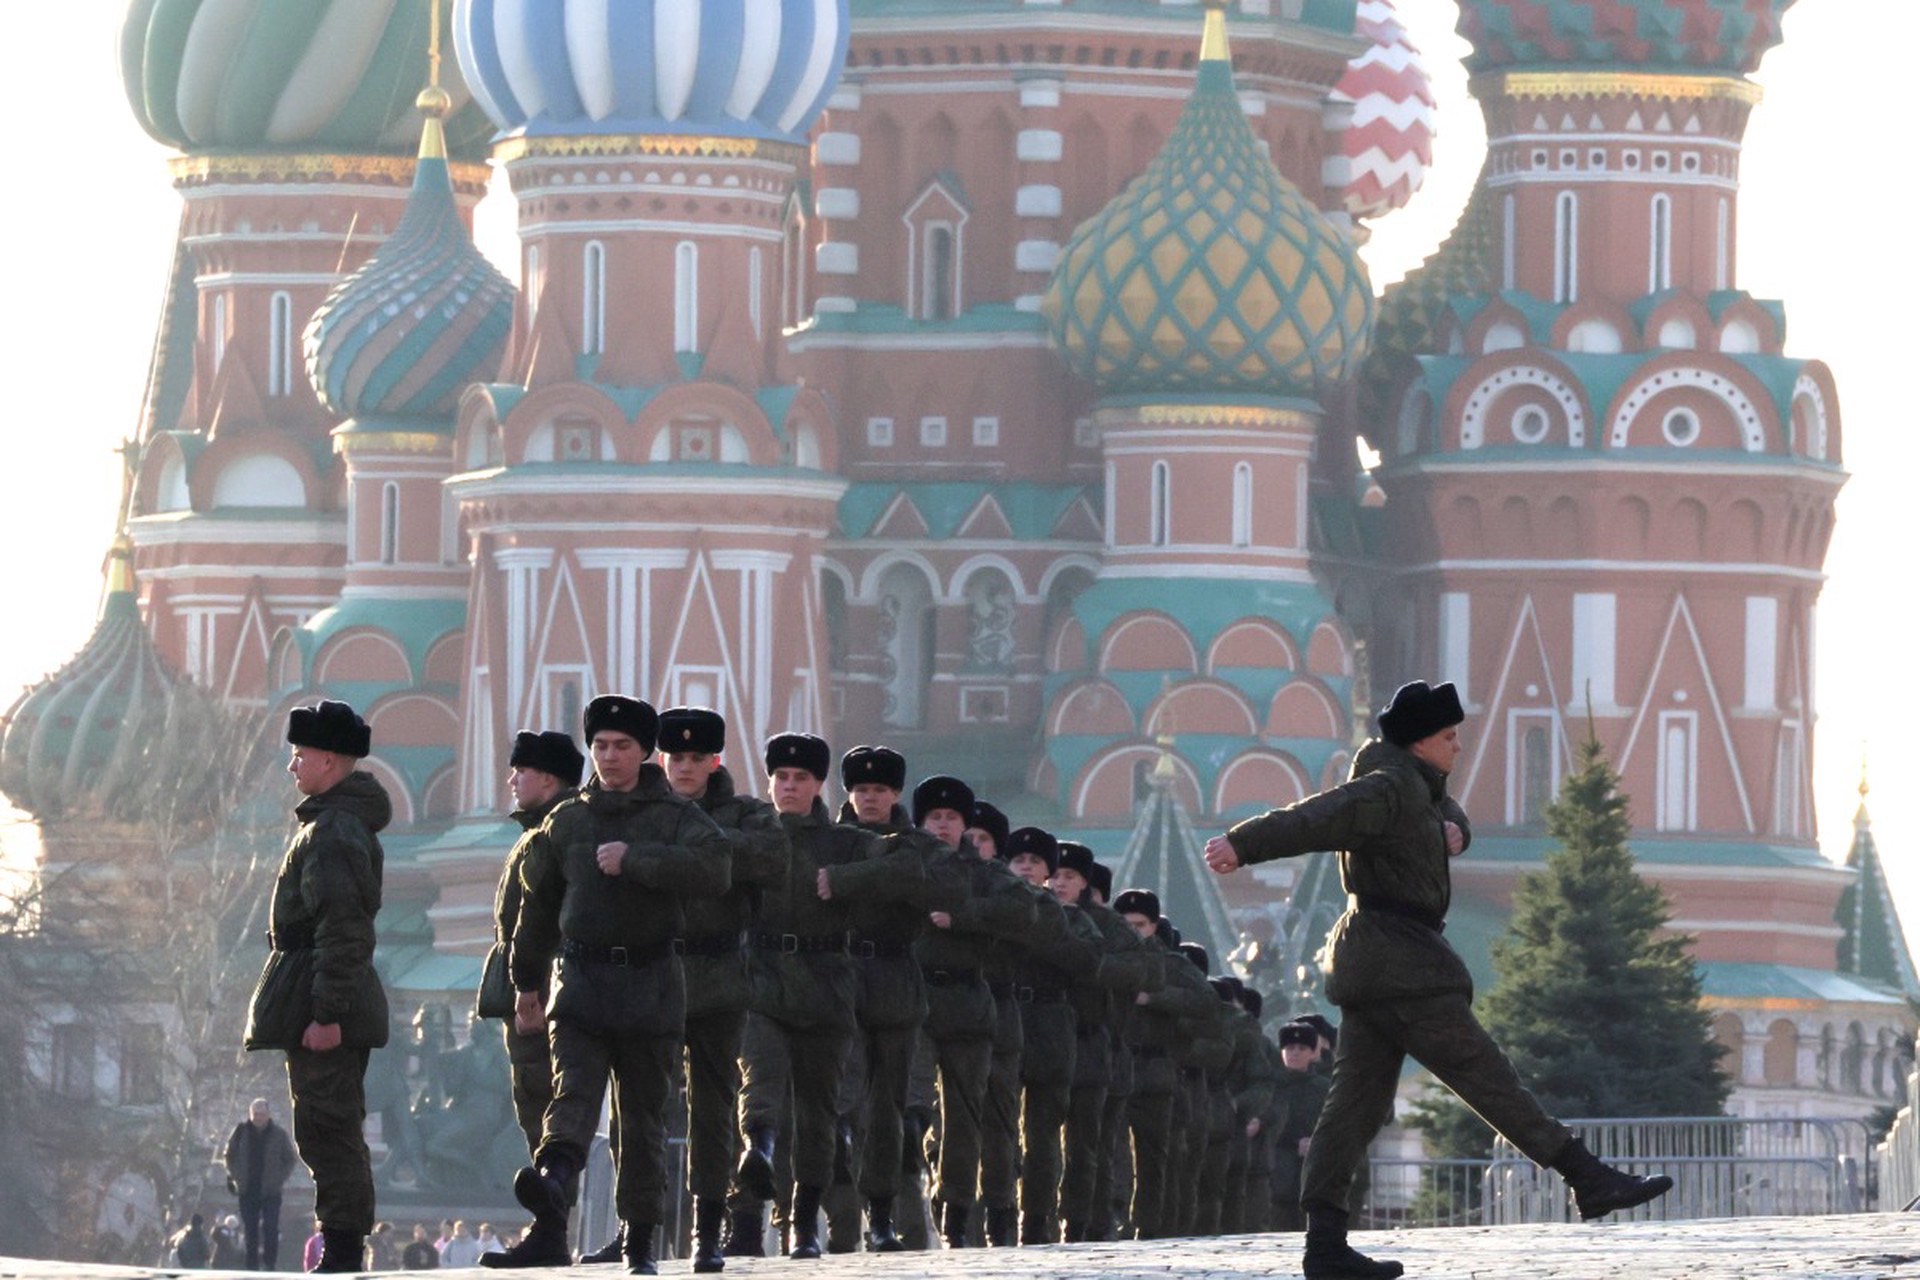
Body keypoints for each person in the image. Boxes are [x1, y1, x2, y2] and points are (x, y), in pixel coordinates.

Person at [1204, 679, 1673, 1280]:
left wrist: (1458, 828)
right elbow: (1318, 818)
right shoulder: (1386, 789)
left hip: (1383, 960)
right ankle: (1587, 1177)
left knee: (1352, 1107)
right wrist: (1241, 845)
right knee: (1483, 1072)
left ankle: (1324, 1246)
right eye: (1449, 737)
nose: (1458, 747)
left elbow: (1444, 806)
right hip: (1401, 963)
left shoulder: (1412, 785)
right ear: (1419, 742)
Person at [501, 695, 731, 1276]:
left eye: (622, 746)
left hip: (651, 984)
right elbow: (538, 905)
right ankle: (554, 1176)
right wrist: (525, 980)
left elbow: (716, 870)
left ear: (644, 751)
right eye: (600, 745)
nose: (609, 756)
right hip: (580, 981)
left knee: (642, 1117)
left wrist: (638, 859)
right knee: (572, 1090)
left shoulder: (676, 817)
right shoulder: (569, 818)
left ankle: (640, 1241)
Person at [244, 700, 390, 1274]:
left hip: (324, 1003)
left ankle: (344, 1249)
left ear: (329, 761)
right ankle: (343, 1243)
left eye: (300, 755)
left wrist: (327, 1012)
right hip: (315, 993)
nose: (293, 766)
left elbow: (343, 930)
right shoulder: (330, 826)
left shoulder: (332, 833)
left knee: (328, 1127)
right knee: (326, 1124)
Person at [657, 706, 789, 1271]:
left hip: (717, 977)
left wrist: (689, 849)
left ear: (715, 762)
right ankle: (639, 1229)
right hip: (652, 975)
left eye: (696, 758)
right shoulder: (640, 814)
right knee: (643, 1115)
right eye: (675, 757)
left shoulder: (748, 814)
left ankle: (709, 1230)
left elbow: (772, 858)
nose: (685, 768)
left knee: (712, 1111)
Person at [225, 1097, 299, 1269]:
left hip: (271, 1191)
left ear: (268, 1114)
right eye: (255, 1114)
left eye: (262, 1114)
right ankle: (251, 1267)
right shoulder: (241, 1131)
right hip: (247, 1190)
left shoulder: (279, 1134)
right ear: (251, 1114)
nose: (259, 1117)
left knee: (270, 1229)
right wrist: (236, 1176)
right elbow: (229, 1155)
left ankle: (269, 1264)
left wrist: (279, 1178)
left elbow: (290, 1159)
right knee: (250, 1230)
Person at [1272, 1021, 1331, 1232]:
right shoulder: (1271, 1085)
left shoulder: (1323, 1087)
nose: (1294, 1053)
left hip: (1312, 1163)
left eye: (1301, 1048)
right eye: (1289, 1048)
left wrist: (1314, 1140)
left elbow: (1330, 1122)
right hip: (1277, 1163)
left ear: (1312, 1053)